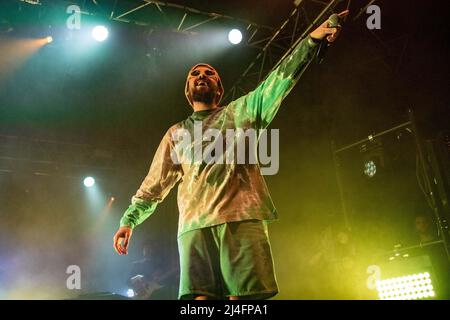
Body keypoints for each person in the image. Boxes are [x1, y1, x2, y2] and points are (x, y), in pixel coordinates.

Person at [113, 10, 349, 300]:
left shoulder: (243, 112)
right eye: (194, 74)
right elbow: (155, 183)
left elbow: (281, 79)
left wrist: (311, 41)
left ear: (219, 89)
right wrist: (129, 221)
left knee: (244, 299)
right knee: (200, 301)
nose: (201, 75)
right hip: (193, 226)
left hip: (240, 217)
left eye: (208, 73)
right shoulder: (176, 133)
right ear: (188, 92)